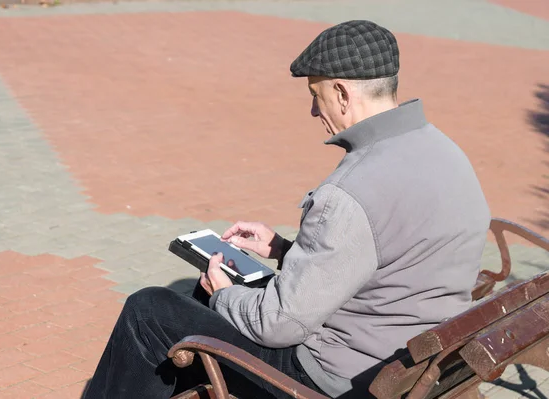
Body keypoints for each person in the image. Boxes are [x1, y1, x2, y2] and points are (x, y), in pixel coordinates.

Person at [83, 20, 490, 399]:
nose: (315, 112)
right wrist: (282, 249)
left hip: (332, 377)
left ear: (343, 93)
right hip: (410, 358)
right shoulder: (444, 152)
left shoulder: (349, 191)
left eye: (317, 97)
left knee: (149, 310)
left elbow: (279, 326)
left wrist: (225, 297)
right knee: (194, 301)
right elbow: (386, 252)